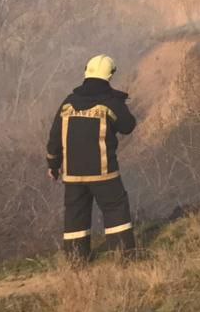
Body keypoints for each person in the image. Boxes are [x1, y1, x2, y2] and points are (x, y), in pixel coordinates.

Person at [44, 54, 137, 260]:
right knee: (115, 209)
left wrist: (53, 164)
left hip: (73, 175)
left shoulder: (68, 103)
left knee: (75, 216)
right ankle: (124, 257)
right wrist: (119, 102)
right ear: (110, 75)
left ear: (86, 71)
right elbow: (128, 126)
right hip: (104, 173)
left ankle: (77, 261)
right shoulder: (110, 103)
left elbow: (54, 137)